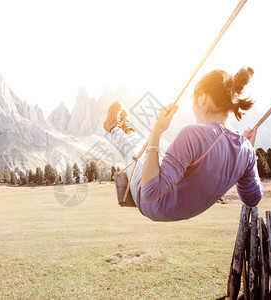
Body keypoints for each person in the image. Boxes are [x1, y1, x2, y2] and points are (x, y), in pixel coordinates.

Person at [103, 67, 262, 222]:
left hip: (152, 204)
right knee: (150, 149)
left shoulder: (194, 135)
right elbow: (252, 199)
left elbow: (150, 193)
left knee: (133, 150)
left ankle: (114, 127)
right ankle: (127, 128)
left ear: (202, 98)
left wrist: (157, 131)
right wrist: (248, 154)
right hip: (183, 211)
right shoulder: (246, 150)